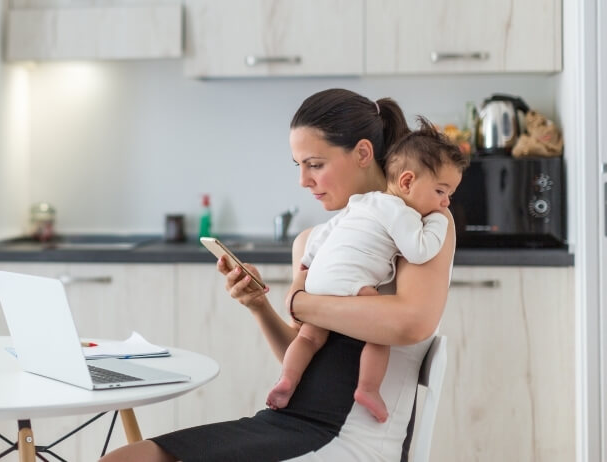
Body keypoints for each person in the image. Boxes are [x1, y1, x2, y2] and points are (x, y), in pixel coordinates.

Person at [99, 88, 457, 462]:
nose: (304, 180)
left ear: (363, 154)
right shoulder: (312, 242)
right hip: (283, 422)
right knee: (123, 459)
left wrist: (300, 303)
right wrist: (260, 306)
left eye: (315, 164)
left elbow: (411, 323)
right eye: (298, 165)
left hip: (352, 441)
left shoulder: (422, 219)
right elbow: (300, 353)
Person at [265, 117, 469, 424]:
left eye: (315, 164)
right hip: (352, 284)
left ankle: (286, 381)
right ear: (407, 182)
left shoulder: (359, 205)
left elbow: (323, 238)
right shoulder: (406, 215)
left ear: (363, 154)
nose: (446, 202)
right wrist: (437, 220)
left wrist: (304, 276)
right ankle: (369, 388)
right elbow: (418, 249)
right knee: (377, 334)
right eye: (442, 192)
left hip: (319, 279)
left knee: (308, 338)